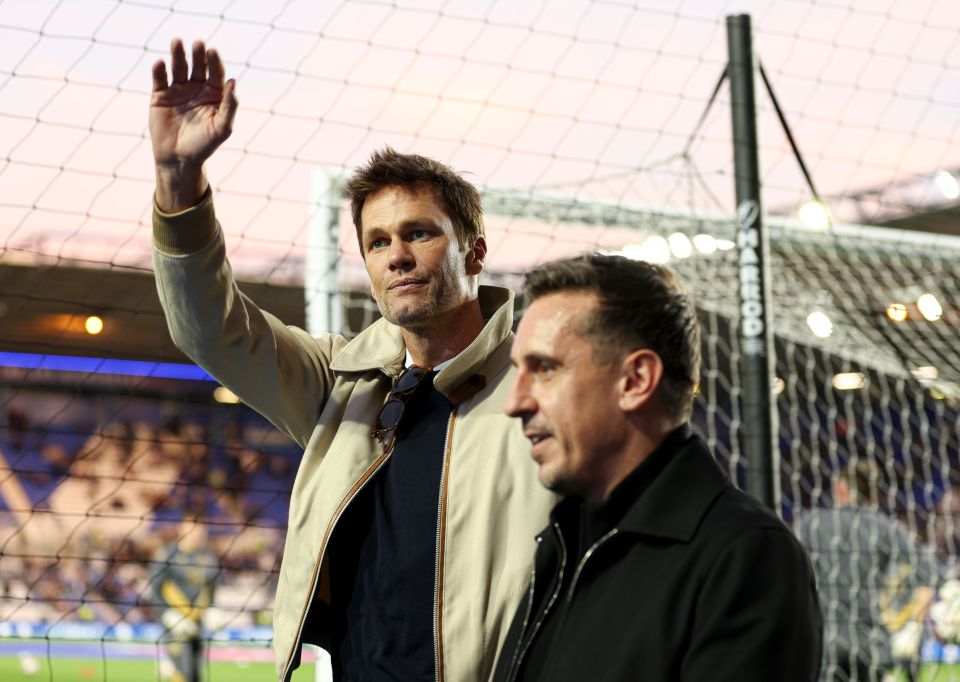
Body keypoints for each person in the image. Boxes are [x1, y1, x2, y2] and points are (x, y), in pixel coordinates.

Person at [148, 38, 556, 681]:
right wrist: (178, 181)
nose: (396, 255)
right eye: (376, 241)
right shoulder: (338, 384)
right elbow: (212, 331)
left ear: (474, 253)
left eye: (419, 233)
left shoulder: (540, 388)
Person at [492, 254, 822, 682]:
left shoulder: (744, 558)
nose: (515, 402)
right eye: (519, 371)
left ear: (636, 381)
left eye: (545, 369)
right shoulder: (564, 538)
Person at [794, 459, 937, 682]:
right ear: (875, 494)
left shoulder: (811, 523)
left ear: (840, 488)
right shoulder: (885, 528)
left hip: (823, 639)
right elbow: (931, 575)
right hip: (869, 643)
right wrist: (912, 624)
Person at [149, 517, 219, 682]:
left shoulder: (209, 557)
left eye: (201, 530)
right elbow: (154, 592)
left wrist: (213, 609)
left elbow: (211, 589)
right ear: (182, 529)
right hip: (175, 626)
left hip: (198, 625)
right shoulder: (166, 556)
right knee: (183, 672)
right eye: (193, 529)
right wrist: (168, 616)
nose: (197, 534)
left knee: (195, 674)